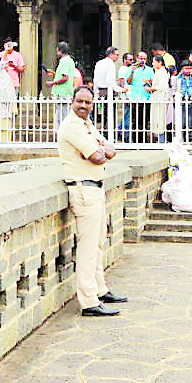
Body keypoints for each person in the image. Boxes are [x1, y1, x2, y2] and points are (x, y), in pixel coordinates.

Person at [57, 86, 126, 317]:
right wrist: (100, 151)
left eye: (88, 102)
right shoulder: (71, 126)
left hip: (95, 188)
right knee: (87, 249)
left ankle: (99, 289)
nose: (84, 106)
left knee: (97, 243)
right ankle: (88, 301)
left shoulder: (87, 125)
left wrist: (101, 150)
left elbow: (111, 150)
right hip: (83, 189)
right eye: (80, 101)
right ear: (72, 101)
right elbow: (98, 157)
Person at [0, 42, 22, 141]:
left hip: (7, 102)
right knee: (1, 123)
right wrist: (6, 51)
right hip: (1, 102)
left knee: (8, 122)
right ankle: (1, 141)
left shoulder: (6, 73)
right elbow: (1, 63)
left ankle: (7, 141)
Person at [47, 42, 77, 130]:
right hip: (66, 91)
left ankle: (63, 134)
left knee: (62, 117)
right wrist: (54, 74)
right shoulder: (69, 60)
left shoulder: (64, 61)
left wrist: (52, 83)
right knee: (64, 114)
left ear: (60, 51)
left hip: (62, 92)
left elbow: (65, 78)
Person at [125, 51, 154, 143]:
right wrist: (132, 71)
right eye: (141, 58)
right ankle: (135, 141)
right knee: (135, 121)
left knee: (145, 120)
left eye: (144, 59)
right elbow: (128, 81)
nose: (142, 60)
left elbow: (152, 81)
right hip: (135, 97)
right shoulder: (131, 68)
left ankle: (144, 141)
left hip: (146, 97)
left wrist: (148, 82)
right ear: (137, 59)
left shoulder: (149, 70)